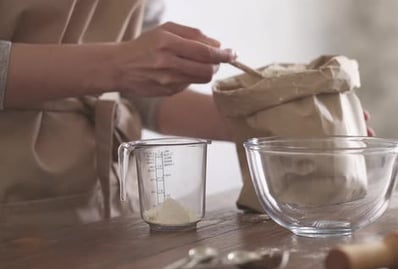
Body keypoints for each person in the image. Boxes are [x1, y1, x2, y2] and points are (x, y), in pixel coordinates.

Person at [0, 0, 372, 228]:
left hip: (104, 202)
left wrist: (277, 123)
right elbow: (114, 67)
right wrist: (117, 63)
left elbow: (130, 84)